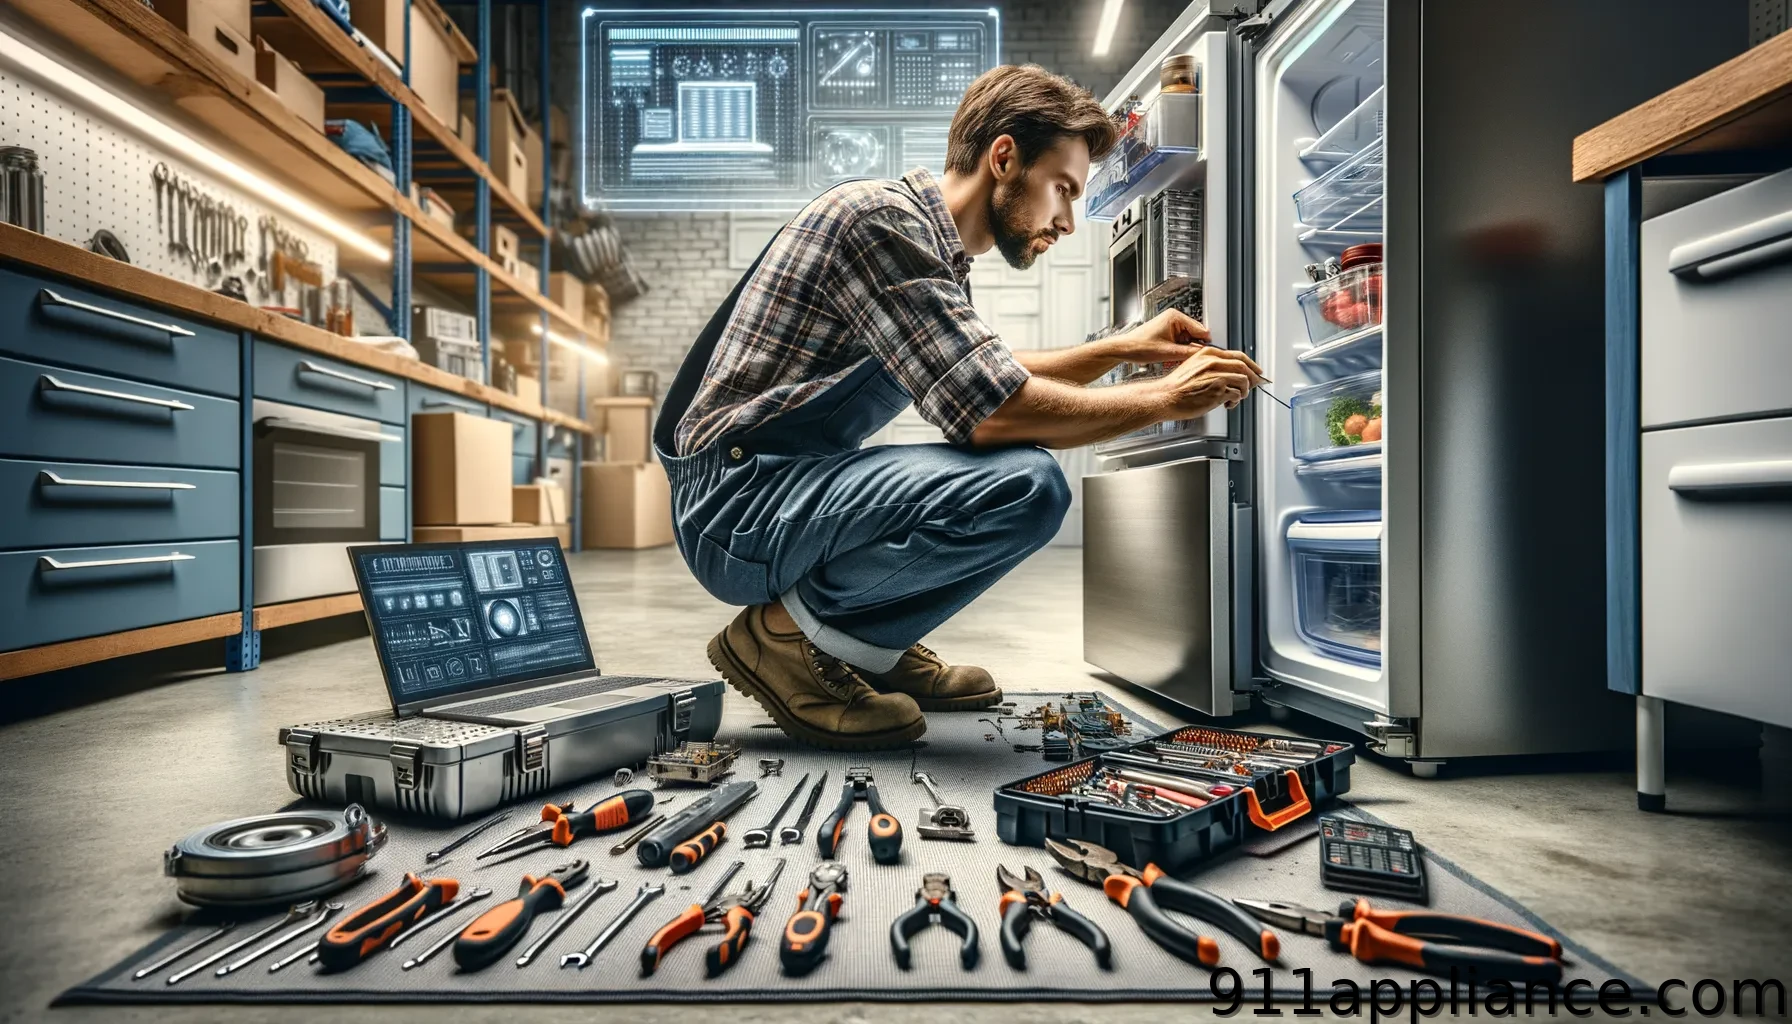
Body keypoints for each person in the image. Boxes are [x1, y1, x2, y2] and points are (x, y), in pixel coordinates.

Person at [651, 64, 1267, 751]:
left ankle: (868, 643)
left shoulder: (929, 246)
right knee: (1026, 486)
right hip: (740, 502)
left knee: (1011, 474)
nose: (1066, 220)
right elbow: (991, 410)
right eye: (1061, 189)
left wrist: (1128, 348)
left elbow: (978, 373)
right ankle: (783, 639)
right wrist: (1167, 398)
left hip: (776, 483)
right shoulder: (881, 225)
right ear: (1004, 157)